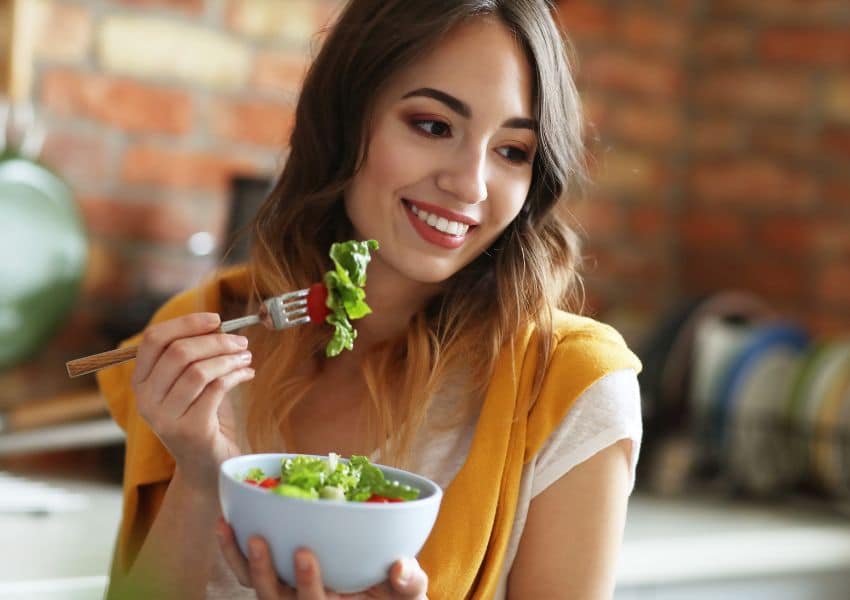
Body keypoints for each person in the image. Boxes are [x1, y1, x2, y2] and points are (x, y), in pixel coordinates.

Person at [97, 0, 643, 598]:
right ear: (345, 120)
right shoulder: (210, 333)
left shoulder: (569, 384)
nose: (469, 183)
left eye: (512, 151)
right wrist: (201, 480)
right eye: (434, 126)